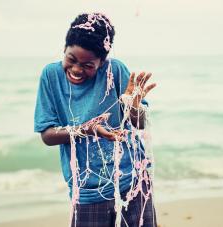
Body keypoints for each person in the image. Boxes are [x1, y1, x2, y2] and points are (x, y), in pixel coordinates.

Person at [34, 12, 157, 227]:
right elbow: (47, 135)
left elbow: (140, 123)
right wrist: (86, 129)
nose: (76, 70)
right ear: (64, 49)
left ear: (102, 62)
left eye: (88, 65)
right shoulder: (50, 76)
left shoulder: (115, 70)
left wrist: (133, 107)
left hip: (132, 181)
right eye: (71, 59)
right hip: (87, 189)